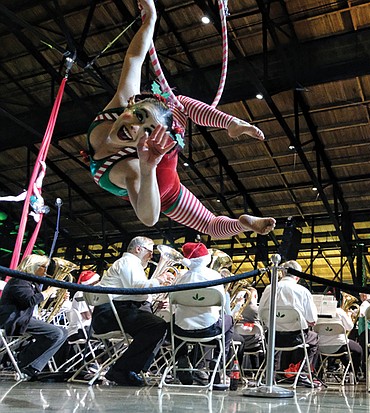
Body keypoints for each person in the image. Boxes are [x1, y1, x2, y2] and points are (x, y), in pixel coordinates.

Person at [86, 0, 275, 238]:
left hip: (157, 175)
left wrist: (147, 169)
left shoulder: (131, 167)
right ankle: (244, 222)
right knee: (178, 103)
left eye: (145, 130)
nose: (134, 128)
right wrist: (151, 17)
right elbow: (134, 57)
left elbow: (149, 218)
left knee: (179, 104)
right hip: (158, 167)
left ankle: (231, 126)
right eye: (138, 117)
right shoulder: (121, 102)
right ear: (131, 104)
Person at [91, 236, 173, 386]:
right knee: (157, 326)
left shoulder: (131, 264)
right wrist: (159, 280)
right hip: (110, 314)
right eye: (150, 251)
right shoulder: (129, 262)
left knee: (158, 327)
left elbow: (137, 293)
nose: (152, 255)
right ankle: (122, 370)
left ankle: (129, 369)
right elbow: (136, 287)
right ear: (138, 249)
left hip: (115, 312)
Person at [172, 242, 235, 388]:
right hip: (209, 329)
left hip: (181, 330)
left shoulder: (181, 278)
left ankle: (182, 357)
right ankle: (217, 362)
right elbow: (221, 305)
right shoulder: (214, 275)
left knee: (172, 321)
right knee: (229, 320)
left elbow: (174, 304)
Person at [0, 254, 68, 380]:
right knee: (56, 333)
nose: (46, 271)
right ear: (33, 267)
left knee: (63, 332)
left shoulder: (30, 283)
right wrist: (50, 291)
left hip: (24, 319)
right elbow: (29, 301)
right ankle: (30, 367)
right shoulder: (18, 281)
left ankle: (25, 362)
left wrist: (59, 298)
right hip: (14, 319)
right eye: (44, 267)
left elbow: (37, 302)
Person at [258, 260, 319, 382]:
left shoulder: (269, 289)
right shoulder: (302, 291)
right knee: (314, 337)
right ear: (297, 276)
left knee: (277, 342)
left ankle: (272, 374)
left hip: (272, 337)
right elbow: (312, 319)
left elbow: (261, 314)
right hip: (295, 338)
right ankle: (301, 373)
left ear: (282, 273)